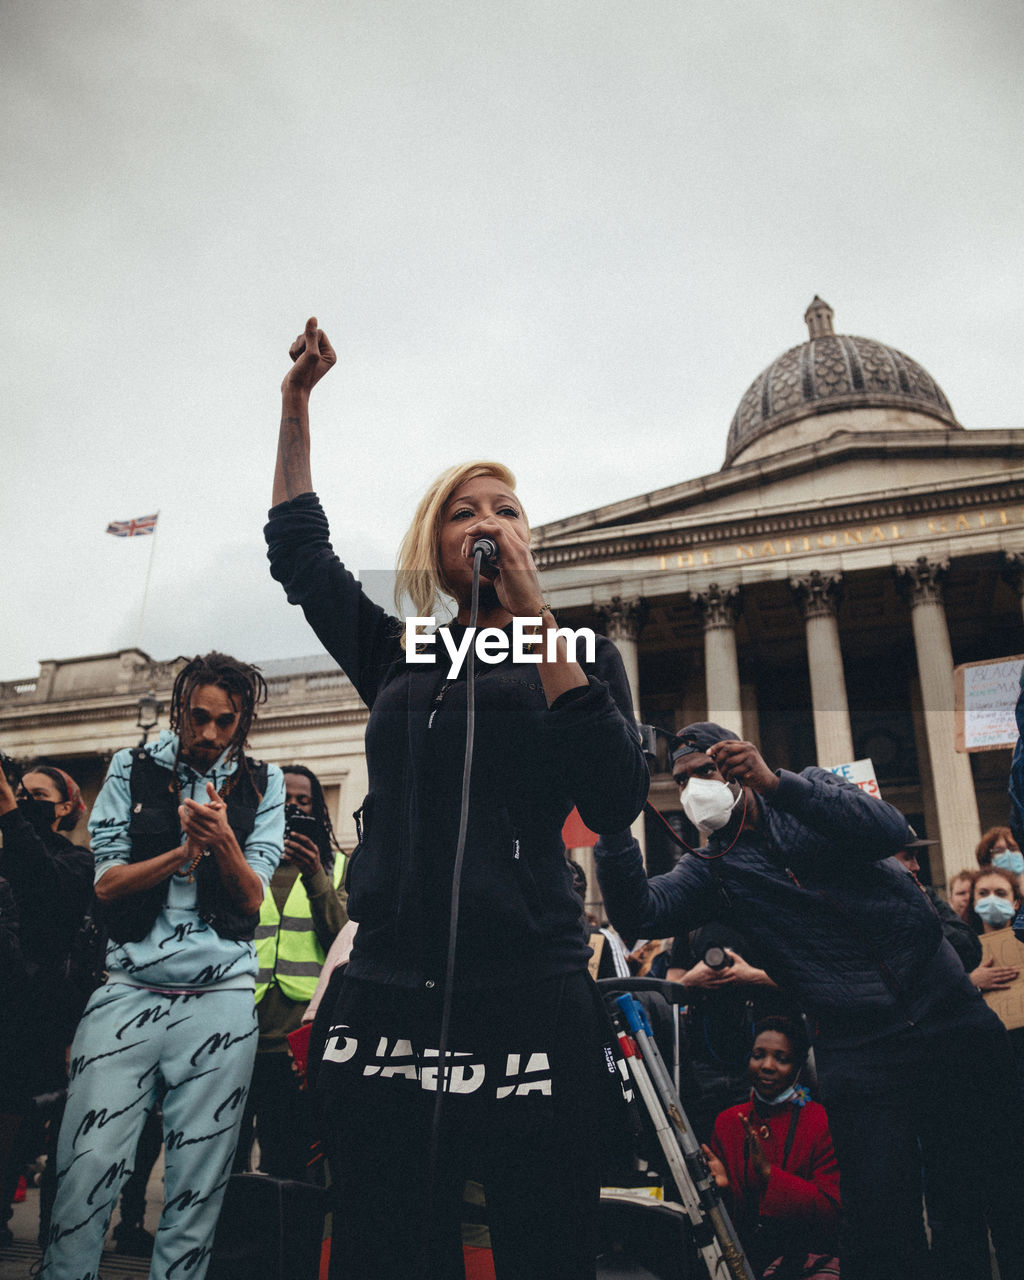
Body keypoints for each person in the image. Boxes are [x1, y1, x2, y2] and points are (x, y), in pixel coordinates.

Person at [265, 317, 648, 1280]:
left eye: (507, 510)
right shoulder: (403, 651)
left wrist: (539, 625)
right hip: (392, 982)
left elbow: (613, 794)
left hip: (527, 987)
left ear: (528, 539)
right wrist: (296, 406)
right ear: (434, 544)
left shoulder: (581, 655)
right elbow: (300, 558)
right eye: (464, 511)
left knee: (541, 1243)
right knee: (382, 1244)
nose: (488, 523)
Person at [595, 720, 1024, 1280]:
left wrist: (779, 786)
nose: (693, 787)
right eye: (680, 781)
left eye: (705, 770)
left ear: (738, 763)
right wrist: (611, 826)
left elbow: (888, 828)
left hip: (950, 1018)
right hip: (859, 1051)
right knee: (883, 1221)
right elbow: (639, 913)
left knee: (999, 1188)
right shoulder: (711, 871)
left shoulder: (810, 791)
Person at [40, 653, 284, 1280]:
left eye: (224, 722)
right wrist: (182, 852)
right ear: (179, 709)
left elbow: (254, 898)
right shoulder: (129, 767)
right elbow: (107, 883)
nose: (208, 734)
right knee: (86, 1164)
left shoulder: (265, 782)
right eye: (197, 717)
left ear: (243, 721)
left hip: (222, 998)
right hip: (128, 989)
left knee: (197, 1185)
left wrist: (223, 841)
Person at [236, 763, 347, 1182]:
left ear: (318, 810)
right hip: (238, 1032)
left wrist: (315, 874)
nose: (294, 808)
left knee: (286, 1159)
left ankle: (278, 1246)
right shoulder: (244, 862)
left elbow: (344, 941)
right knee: (225, 1157)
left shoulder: (340, 866)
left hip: (296, 1044)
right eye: (284, 801)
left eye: (304, 801)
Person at [0, 760, 92, 1251]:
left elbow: (45, 893)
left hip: (30, 1008)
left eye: (36, 795)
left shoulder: (75, 861)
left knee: (14, 1109)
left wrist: (11, 815)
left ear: (65, 808)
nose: (23, 799)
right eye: (18, 790)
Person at [702, 1016, 840, 1280]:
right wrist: (724, 1189)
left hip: (806, 1258)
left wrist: (769, 1174)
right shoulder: (728, 1121)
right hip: (745, 1259)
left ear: (799, 1067)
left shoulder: (821, 1121)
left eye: (781, 1058)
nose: (767, 1066)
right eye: (758, 1055)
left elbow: (831, 1211)